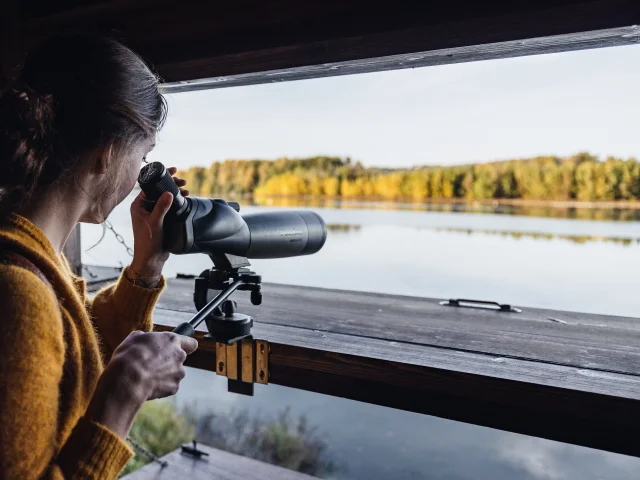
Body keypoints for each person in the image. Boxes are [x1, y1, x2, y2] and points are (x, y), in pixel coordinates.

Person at [0, 36, 198, 479]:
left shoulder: (27, 256)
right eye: (142, 157)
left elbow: (67, 359)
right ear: (106, 154)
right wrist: (124, 395)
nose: (138, 175)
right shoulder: (18, 292)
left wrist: (145, 269)